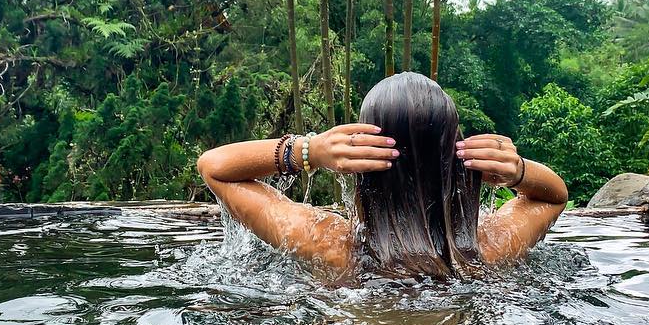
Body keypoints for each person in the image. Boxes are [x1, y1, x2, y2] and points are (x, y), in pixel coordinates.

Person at [197, 72, 568, 279]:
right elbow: (554, 197)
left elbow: (215, 168)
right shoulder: (489, 246)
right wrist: (517, 170)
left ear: (364, 164)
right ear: (453, 154)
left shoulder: (330, 245)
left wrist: (309, 150)